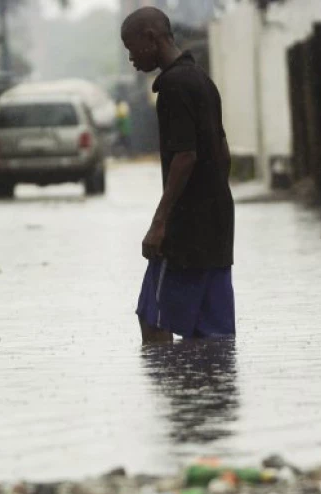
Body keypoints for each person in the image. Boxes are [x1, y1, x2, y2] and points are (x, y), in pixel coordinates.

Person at [121, 7, 235, 344]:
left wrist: (160, 223)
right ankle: (212, 394)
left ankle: (179, 395)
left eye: (131, 48)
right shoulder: (202, 80)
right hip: (218, 225)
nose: (130, 58)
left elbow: (185, 157)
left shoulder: (172, 87)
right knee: (213, 333)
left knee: (154, 318)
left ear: (151, 38)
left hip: (185, 229)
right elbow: (223, 153)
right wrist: (214, 201)